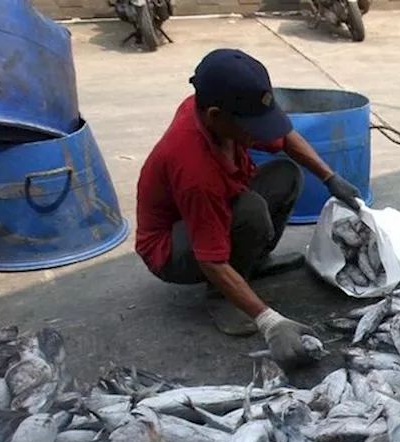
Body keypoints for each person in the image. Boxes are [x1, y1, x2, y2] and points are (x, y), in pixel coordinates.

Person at [135, 48, 364, 368]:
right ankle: (221, 297)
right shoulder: (195, 170)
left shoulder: (212, 109)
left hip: (215, 207)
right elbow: (210, 259)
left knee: (285, 175)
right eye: (252, 126)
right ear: (216, 116)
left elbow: (284, 139)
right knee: (250, 212)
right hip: (172, 247)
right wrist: (269, 321)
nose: (259, 134)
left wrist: (329, 177)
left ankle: (251, 263)